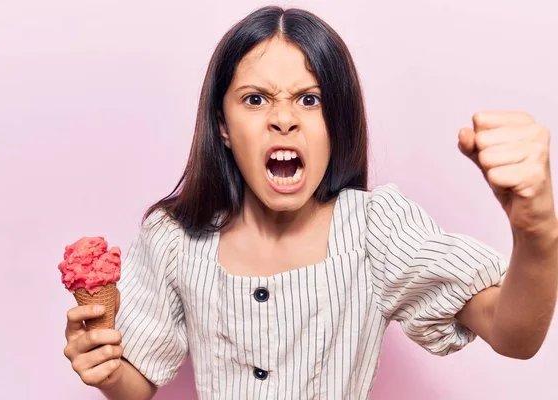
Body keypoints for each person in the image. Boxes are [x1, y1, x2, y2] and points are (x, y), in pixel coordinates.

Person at [62, 5, 558, 400]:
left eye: (310, 98)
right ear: (222, 126)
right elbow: (137, 385)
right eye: (255, 99)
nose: (283, 119)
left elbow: (514, 336)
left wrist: (536, 232)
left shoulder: (375, 230)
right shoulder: (174, 238)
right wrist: (105, 369)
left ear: (336, 121)